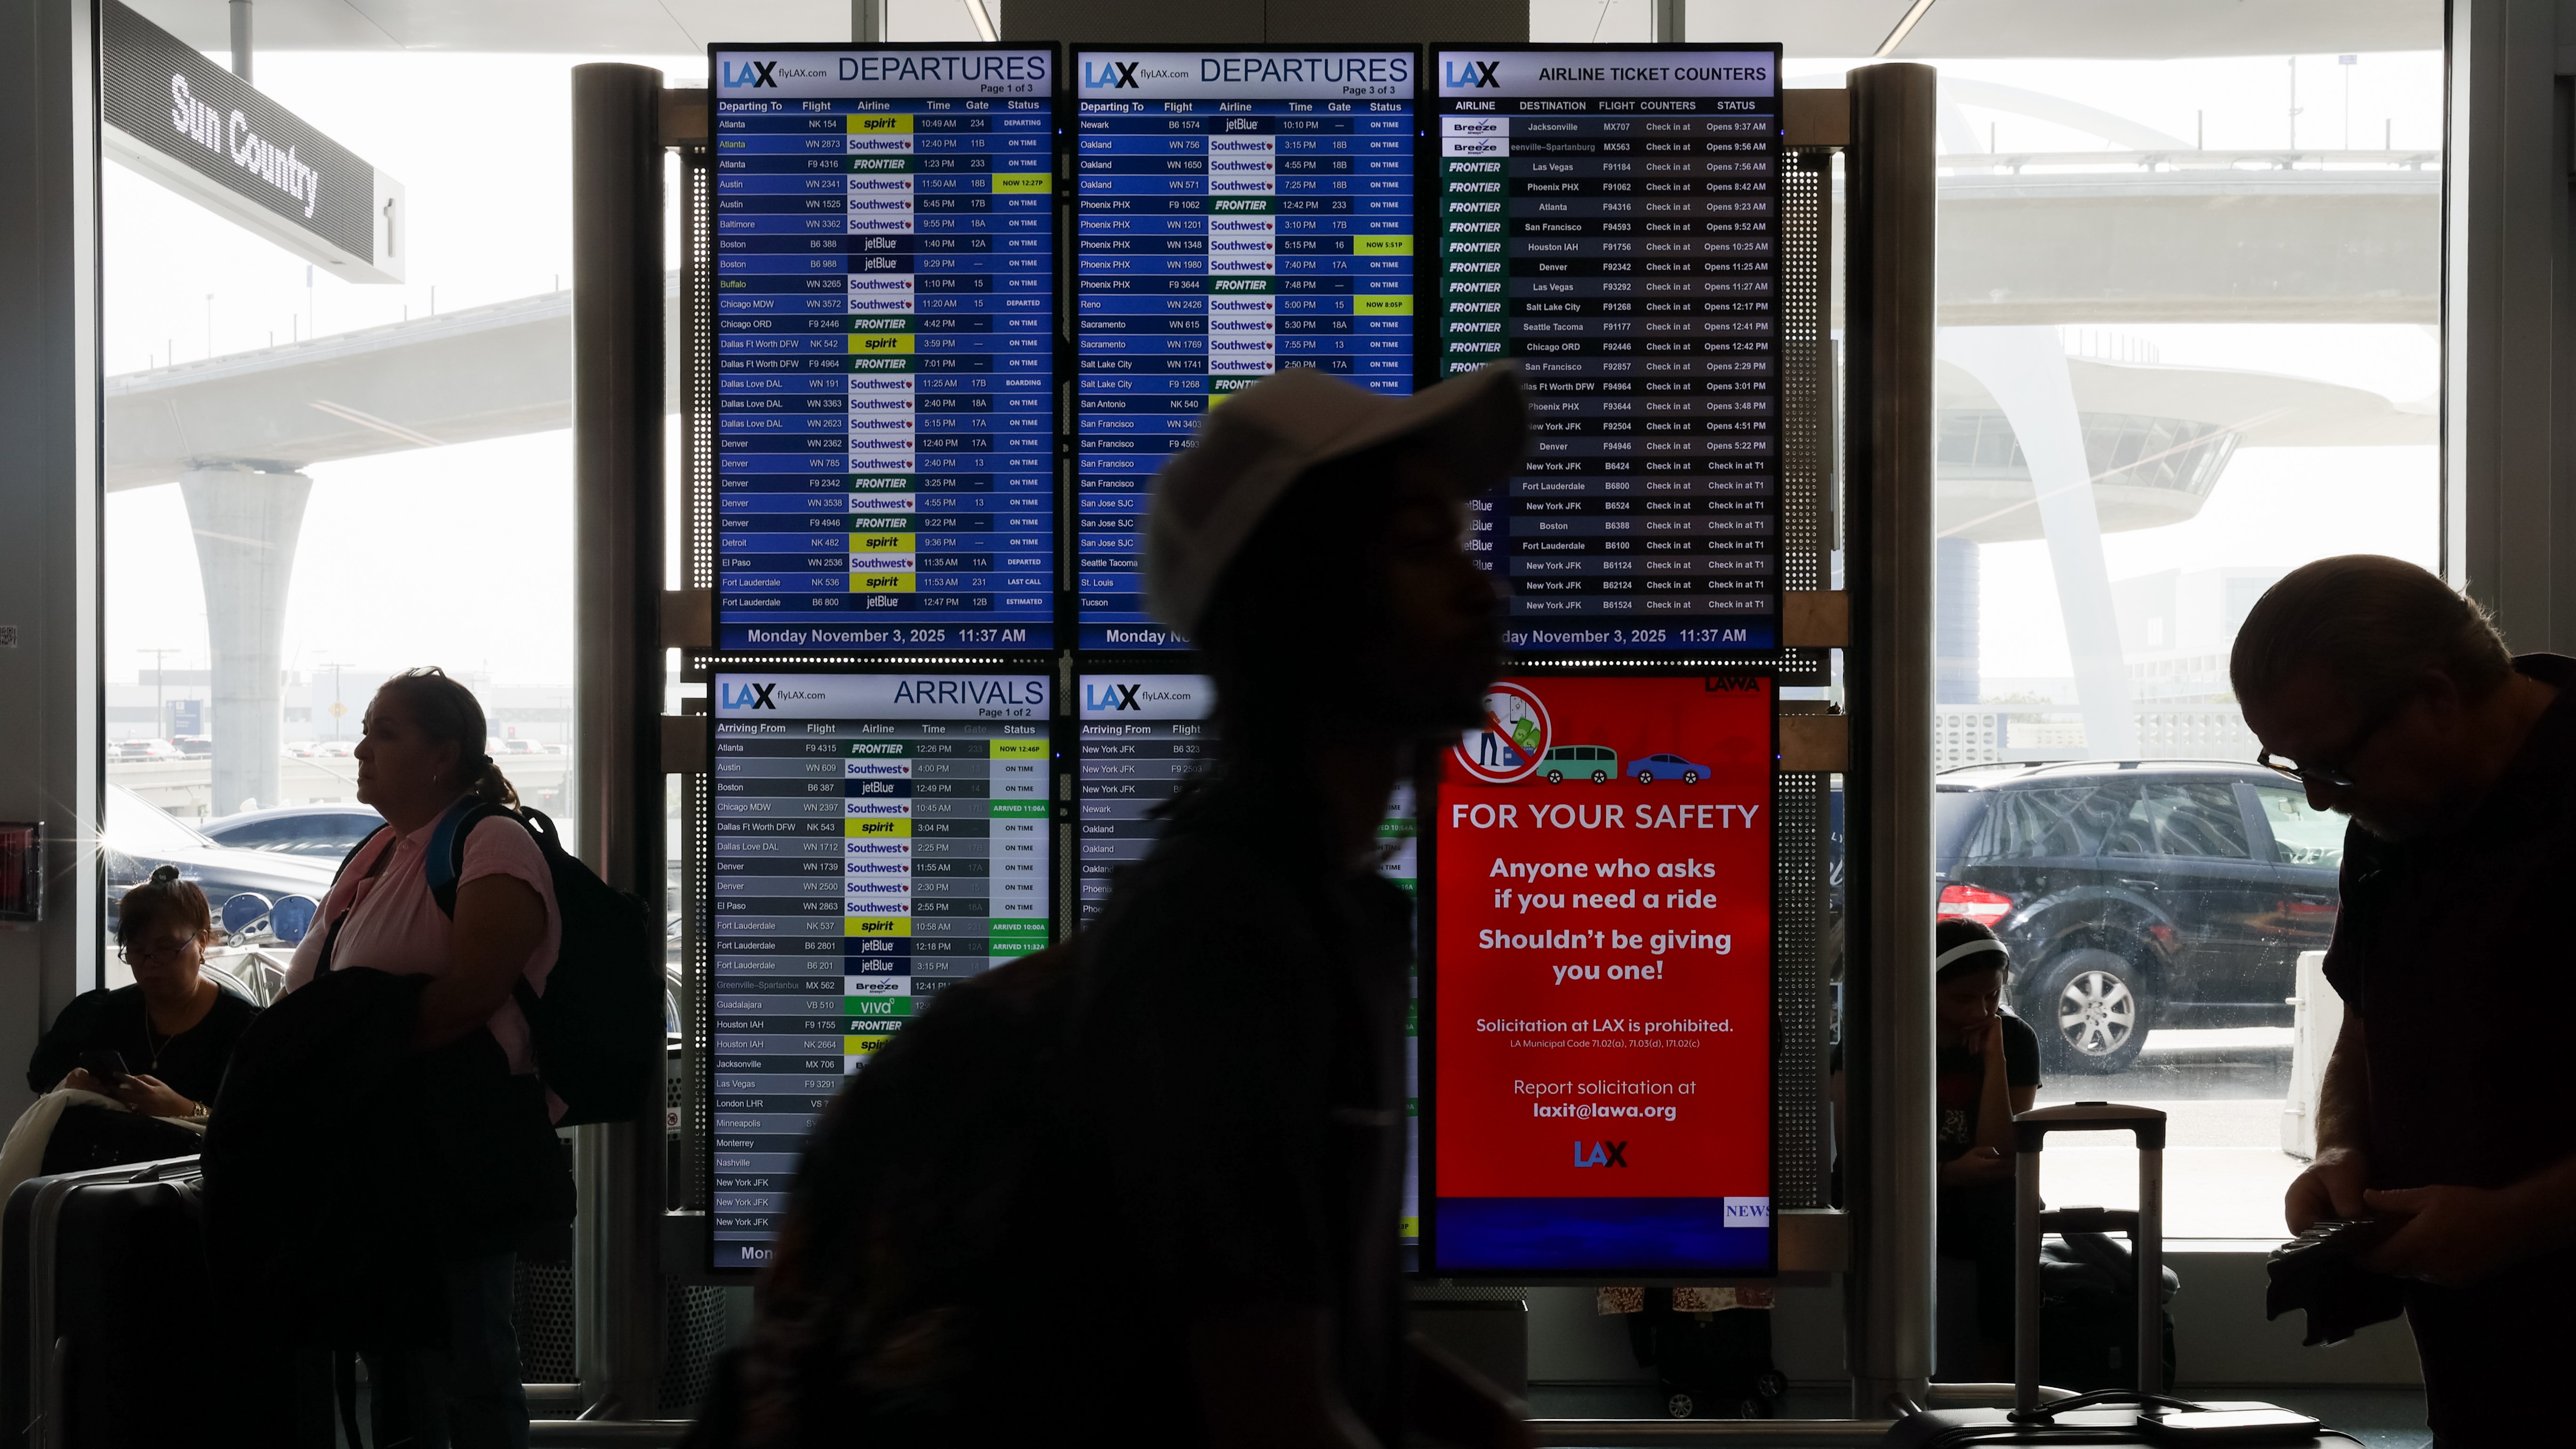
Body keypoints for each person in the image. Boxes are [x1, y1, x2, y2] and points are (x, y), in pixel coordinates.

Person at [702, 364, 1532, 1449]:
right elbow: (1265, 1410)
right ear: (1307, 597)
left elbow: (1302, 1318)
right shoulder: (1225, 942)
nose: (1480, 587)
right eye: (1421, 547)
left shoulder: (1327, 913)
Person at [2235, 555, 2574, 1445]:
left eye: (2332, 761)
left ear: (2435, 695)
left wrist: (2512, 1223)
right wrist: (2343, 1144)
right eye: (2289, 764)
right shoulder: (2394, 819)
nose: (2316, 796)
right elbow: (2366, 1023)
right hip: (2480, 1352)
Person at [274, 667, 566, 1449]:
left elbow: (473, 990)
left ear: (443, 755)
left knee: (470, 1362)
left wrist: (343, 1055)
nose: (361, 747)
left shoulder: (490, 841)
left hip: (453, 1149)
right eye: (366, 728)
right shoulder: (376, 852)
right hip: (372, 1150)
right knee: (394, 1363)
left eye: (385, 731)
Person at [1829, 918, 2038, 1378]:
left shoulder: (2014, 1039)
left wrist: (1993, 1059)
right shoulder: (1878, 1038)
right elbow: (1855, 1150)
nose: (1981, 1011)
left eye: (1992, 996)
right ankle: (1888, 1369)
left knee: (2012, 1202)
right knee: (1870, 1193)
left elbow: (2000, 1152)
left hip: (1976, 1190)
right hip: (1896, 1181)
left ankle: (1998, 1371)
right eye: (1962, 998)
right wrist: (1942, 1173)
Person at [29, 865, 258, 1120]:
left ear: (202, 942)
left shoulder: (244, 1029)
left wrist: (188, 1110)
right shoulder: (101, 1016)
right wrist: (69, 1084)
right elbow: (43, 1076)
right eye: (137, 951)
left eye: (165, 949)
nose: (150, 964)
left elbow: (259, 1127)